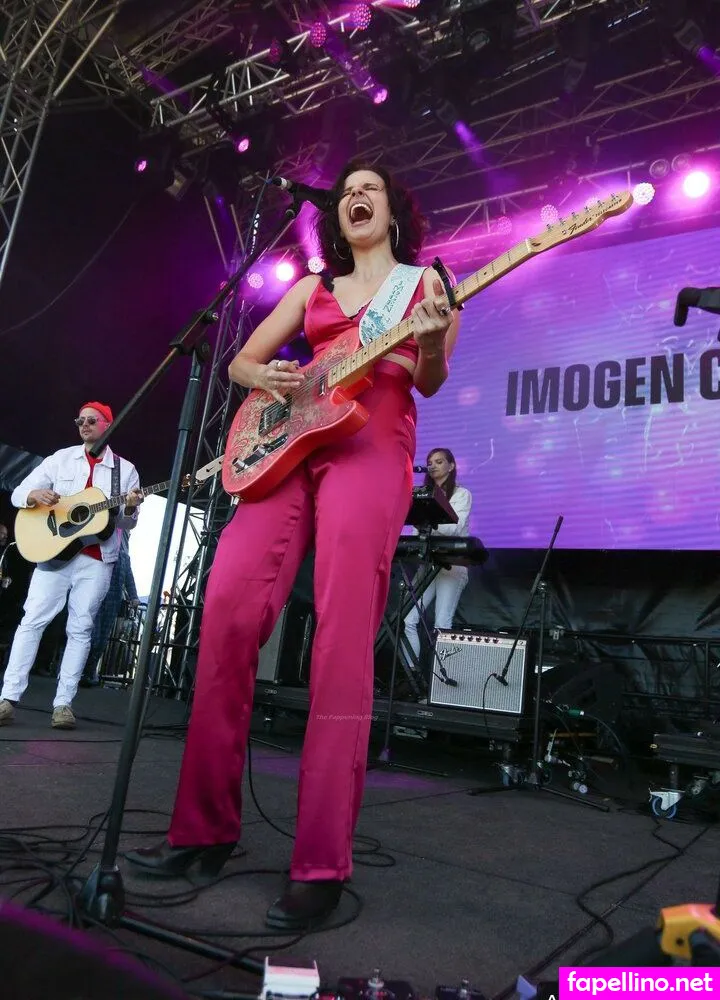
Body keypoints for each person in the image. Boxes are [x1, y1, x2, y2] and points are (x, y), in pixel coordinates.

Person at [125, 161, 460, 929]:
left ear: (394, 212)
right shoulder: (311, 289)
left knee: (341, 642)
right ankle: (202, 831)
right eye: (346, 192)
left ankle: (319, 863)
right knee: (226, 614)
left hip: (372, 441)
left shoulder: (426, 285)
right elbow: (240, 362)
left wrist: (433, 343)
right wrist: (270, 378)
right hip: (290, 442)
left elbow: (431, 380)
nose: (355, 196)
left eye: (370, 188)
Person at [0, 403, 143, 729]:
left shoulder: (125, 471)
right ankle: (7, 698)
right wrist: (35, 495)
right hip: (53, 553)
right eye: (80, 420)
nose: (84, 424)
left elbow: (127, 523)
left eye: (91, 420)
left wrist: (130, 508)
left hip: (97, 560)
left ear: (108, 425)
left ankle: (63, 705)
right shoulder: (60, 459)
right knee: (32, 621)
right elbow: (18, 494)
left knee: (80, 628)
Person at [403, 448, 473, 679]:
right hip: (428, 563)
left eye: (439, 461)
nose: (433, 466)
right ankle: (412, 675)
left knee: (442, 623)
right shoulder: (423, 495)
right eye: (430, 462)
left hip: (451, 565)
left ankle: (441, 682)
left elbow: (454, 528)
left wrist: (427, 523)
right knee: (407, 619)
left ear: (451, 466)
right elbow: (416, 533)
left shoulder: (461, 494)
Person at [81, 530, 139, 686]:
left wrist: (133, 596)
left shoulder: (124, 557)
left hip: (113, 600)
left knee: (102, 640)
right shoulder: (100, 549)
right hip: (96, 596)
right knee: (93, 636)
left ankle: (89, 672)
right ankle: (79, 670)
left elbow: (129, 577)